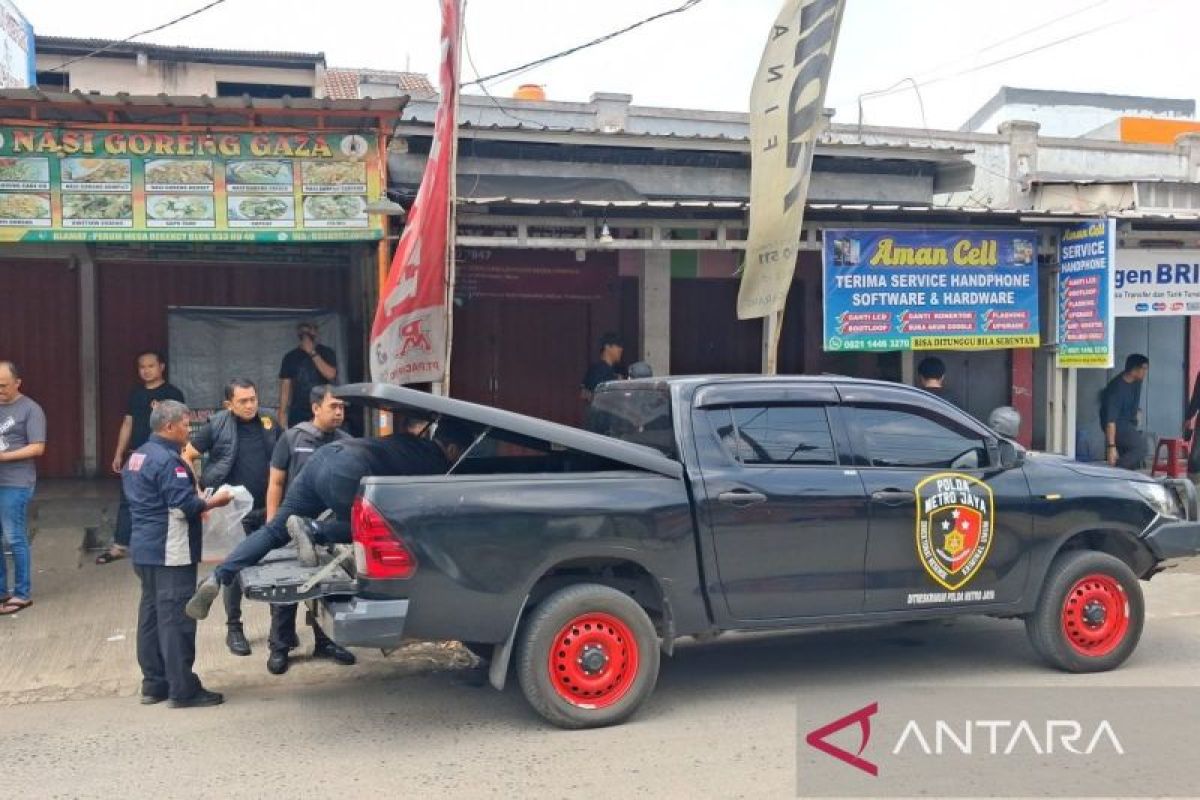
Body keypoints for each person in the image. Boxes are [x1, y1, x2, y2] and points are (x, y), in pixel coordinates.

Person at [185, 419, 475, 622]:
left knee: (275, 530)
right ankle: (313, 528)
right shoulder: (438, 462)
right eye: (460, 453)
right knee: (382, 530)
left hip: (323, 460)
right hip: (348, 470)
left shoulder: (411, 441)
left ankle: (219, 576)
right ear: (452, 449)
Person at [123, 399, 233, 707]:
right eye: (185, 424)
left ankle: (154, 683)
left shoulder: (139, 455)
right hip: (170, 550)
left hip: (144, 548)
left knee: (151, 615)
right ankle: (183, 689)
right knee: (176, 619)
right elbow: (185, 505)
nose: (189, 429)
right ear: (169, 426)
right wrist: (216, 501)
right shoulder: (169, 461)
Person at [183, 378, 280, 656]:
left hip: (268, 508)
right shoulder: (217, 424)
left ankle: (279, 630)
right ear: (229, 404)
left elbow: (282, 457)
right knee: (233, 572)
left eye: (253, 399)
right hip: (234, 513)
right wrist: (198, 492)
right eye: (243, 401)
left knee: (276, 568)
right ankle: (234, 629)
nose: (250, 405)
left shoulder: (269, 420)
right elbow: (187, 455)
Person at [263, 386, 355, 675]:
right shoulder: (292, 437)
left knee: (330, 584)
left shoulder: (348, 442)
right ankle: (279, 647)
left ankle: (326, 641)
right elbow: (276, 482)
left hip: (329, 527)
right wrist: (272, 524)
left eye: (342, 407)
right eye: (333, 406)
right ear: (316, 408)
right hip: (293, 523)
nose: (339, 412)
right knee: (288, 586)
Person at [99, 351, 185, 565]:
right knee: (128, 499)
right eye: (142, 367)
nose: (146, 371)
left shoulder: (173, 393)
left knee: (167, 497)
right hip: (137, 454)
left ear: (161, 367)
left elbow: (182, 426)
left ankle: (170, 544)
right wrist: (119, 453)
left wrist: (184, 454)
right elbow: (127, 424)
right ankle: (120, 545)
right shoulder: (135, 394)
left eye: (151, 366)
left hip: (166, 455)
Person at [0, 361, 45, 615]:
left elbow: (38, 447)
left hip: (16, 482)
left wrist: (4, 457)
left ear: (17, 383)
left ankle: (22, 593)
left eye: (3, 386)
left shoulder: (30, 409)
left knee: (14, 536)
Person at [278, 321, 337, 429]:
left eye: (310, 330)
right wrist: (282, 414)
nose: (307, 334)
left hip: (322, 409)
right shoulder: (290, 357)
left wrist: (312, 353)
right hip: (298, 413)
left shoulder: (326, 352)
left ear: (317, 332)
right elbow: (285, 389)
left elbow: (330, 375)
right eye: (303, 331)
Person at [1100, 354, 1150, 470]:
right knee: (1141, 447)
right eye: (1144, 369)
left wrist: (1137, 412)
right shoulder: (1116, 389)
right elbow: (1110, 422)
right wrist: (1111, 447)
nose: (1145, 372)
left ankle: (1125, 479)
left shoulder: (1137, 381)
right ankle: (1116, 470)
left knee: (1132, 461)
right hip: (1115, 424)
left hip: (1128, 422)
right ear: (1134, 370)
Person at [580, 333, 625, 403]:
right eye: (618, 345)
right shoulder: (595, 371)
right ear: (607, 347)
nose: (621, 349)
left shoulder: (619, 370)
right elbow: (584, 394)